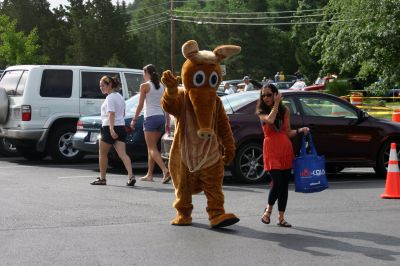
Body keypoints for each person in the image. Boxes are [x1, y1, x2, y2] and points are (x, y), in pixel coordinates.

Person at [255, 83, 309, 227]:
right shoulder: (261, 111)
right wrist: (277, 103)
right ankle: (268, 211)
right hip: (271, 149)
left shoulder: (285, 111)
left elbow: (287, 132)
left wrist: (300, 131)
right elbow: (271, 120)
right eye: (263, 95)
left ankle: (281, 217)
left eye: (268, 94)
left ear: (275, 94)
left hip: (285, 149)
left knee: (284, 186)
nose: (265, 97)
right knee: (277, 182)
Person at [90, 76, 136, 186]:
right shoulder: (120, 97)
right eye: (100, 86)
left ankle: (102, 178)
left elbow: (111, 113)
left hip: (109, 127)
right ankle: (131, 176)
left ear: (110, 85)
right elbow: (123, 113)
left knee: (102, 153)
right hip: (121, 126)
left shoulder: (110, 98)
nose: (101, 88)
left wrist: (111, 129)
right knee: (123, 154)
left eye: (103, 85)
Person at [130, 64, 171, 183]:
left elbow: (140, 105)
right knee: (151, 148)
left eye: (143, 73)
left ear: (147, 73)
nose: (143, 76)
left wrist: (134, 119)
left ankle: (165, 170)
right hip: (160, 118)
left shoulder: (144, 86)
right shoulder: (162, 86)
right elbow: (166, 106)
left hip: (150, 118)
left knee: (151, 147)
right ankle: (150, 174)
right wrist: (167, 122)